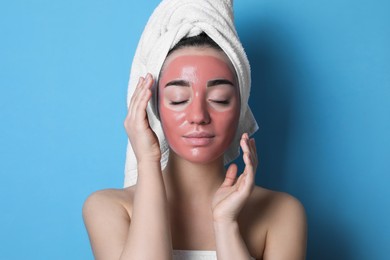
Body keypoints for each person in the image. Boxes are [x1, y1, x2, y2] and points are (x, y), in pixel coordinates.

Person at [83, 1, 307, 259]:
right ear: (153, 107)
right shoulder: (109, 208)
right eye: (179, 99)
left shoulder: (281, 213)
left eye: (220, 98)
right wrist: (148, 160)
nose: (198, 116)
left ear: (241, 109)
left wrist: (225, 224)